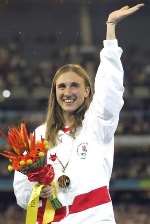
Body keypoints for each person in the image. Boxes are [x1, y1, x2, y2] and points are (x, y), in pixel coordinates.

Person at [13, 3, 144, 224]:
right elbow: (22, 188)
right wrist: (37, 192)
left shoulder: (97, 124)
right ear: (54, 93)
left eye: (74, 86)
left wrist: (110, 31)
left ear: (86, 91)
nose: (68, 92)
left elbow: (110, 90)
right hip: (51, 219)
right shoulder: (39, 134)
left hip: (94, 218)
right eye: (61, 87)